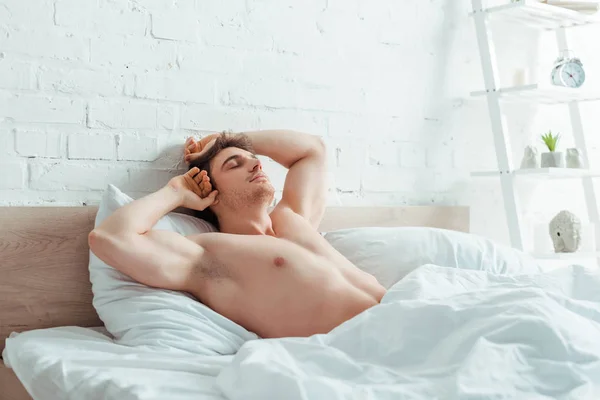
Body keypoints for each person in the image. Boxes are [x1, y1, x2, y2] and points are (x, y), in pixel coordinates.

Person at [89, 130, 386, 338]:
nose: (257, 163)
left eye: (252, 157)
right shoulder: (211, 254)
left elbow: (312, 151)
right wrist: (177, 191)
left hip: (401, 315)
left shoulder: (291, 219)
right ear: (211, 192)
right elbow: (110, 238)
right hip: (364, 348)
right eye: (235, 164)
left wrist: (222, 140)